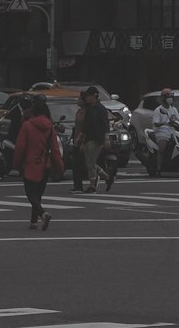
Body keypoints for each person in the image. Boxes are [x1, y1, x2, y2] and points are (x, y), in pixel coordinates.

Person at [13, 94, 63, 230]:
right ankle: (33, 220)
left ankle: (43, 214)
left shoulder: (27, 125)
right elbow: (55, 149)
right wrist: (59, 166)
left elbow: (20, 147)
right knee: (38, 194)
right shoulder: (50, 127)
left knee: (30, 194)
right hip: (45, 164)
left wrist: (16, 163)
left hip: (29, 164)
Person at [74, 85, 110, 192]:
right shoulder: (89, 109)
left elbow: (105, 124)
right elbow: (86, 126)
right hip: (88, 138)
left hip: (97, 138)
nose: (87, 98)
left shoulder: (101, 109)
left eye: (89, 96)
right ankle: (107, 176)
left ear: (94, 96)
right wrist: (80, 139)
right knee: (89, 162)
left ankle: (92, 185)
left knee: (90, 163)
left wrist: (106, 138)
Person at [150, 88, 179, 176]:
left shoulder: (174, 109)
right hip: (162, 132)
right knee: (162, 148)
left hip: (173, 131)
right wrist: (165, 123)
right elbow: (155, 123)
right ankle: (159, 169)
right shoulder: (158, 110)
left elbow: (178, 120)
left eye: (171, 96)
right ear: (163, 98)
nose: (170, 98)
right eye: (168, 97)